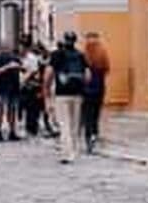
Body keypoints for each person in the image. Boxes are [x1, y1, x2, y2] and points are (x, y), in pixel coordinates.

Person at [45, 30, 90, 163]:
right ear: (75, 41)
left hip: (62, 93)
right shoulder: (81, 55)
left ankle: (67, 154)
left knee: (64, 124)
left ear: (64, 40)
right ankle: (74, 152)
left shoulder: (56, 55)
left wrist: (47, 90)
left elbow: (49, 74)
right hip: (78, 93)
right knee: (75, 124)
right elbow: (88, 76)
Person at [82, 31, 110, 152]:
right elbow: (107, 68)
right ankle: (95, 133)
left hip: (86, 87)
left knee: (87, 113)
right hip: (99, 85)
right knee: (96, 111)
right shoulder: (102, 53)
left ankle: (89, 136)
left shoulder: (84, 54)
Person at [0, 40, 22, 141]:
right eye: (6, 47)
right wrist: (7, 67)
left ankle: (12, 132)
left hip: (13, 88)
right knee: (0, 111)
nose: (7, 50)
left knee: (12, 111)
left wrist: (19, 67)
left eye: (8, 48)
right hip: (1, 88)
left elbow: (22, 69)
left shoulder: (15, 58)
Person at [18, 36, 42, 138]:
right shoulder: (23, 58)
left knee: (32, 109)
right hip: (25, 86)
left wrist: (23, 81)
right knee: (26, 108)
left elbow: (33, 72)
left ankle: (32, 129)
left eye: (22, 46)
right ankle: (29, 128)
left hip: (31, 86)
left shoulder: (31, 58)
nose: (20, 48)